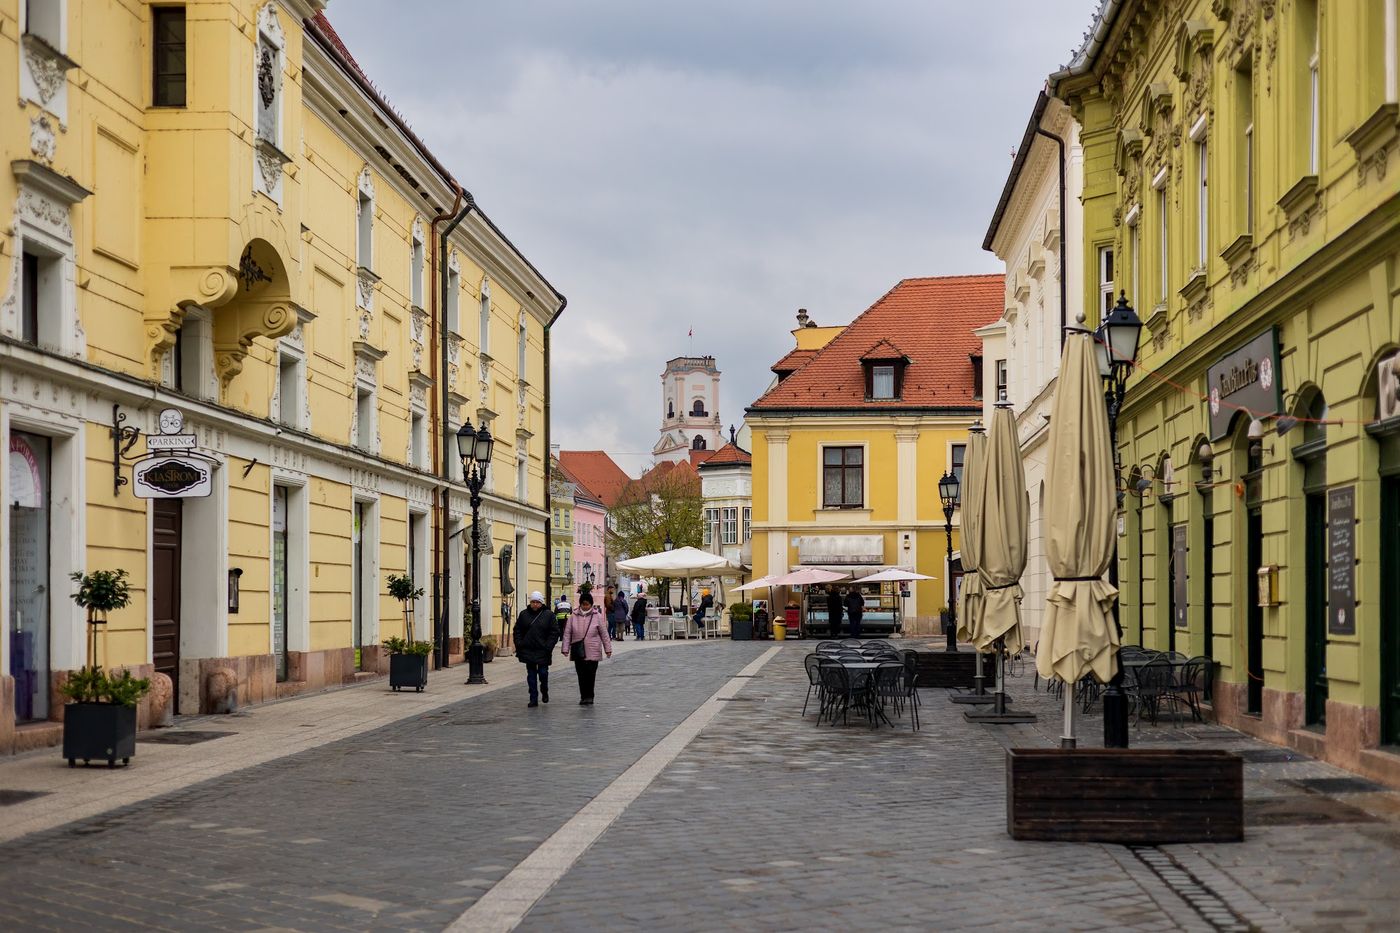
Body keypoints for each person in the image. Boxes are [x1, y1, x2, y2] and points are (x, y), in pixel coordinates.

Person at [561, 591, 611, 705]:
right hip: (578, 650)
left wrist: (608, 649)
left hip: (593, 650)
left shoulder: (597, 616)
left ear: (591, 604)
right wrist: (565, 648)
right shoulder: (573, 616)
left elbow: (604, 634)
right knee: (581, 674)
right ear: (580, 604)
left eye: (587, 604)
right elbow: (567, 633)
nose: (585, 606)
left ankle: (590, 696)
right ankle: (583, 696)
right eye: (583, 604)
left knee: (590, 674)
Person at [513, 591, 558, 708]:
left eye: (537, 602)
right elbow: (517, 630)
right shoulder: (524, 614)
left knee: (543, 673)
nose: (535, 604)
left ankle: (544, 690)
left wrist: (548, 646)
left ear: (541, 603)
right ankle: (533, 698)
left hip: (543, 650)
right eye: (533, 602)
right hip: (528, 649)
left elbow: (554, 632)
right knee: (531, 675)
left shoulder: (549, 615)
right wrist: (519, 643)